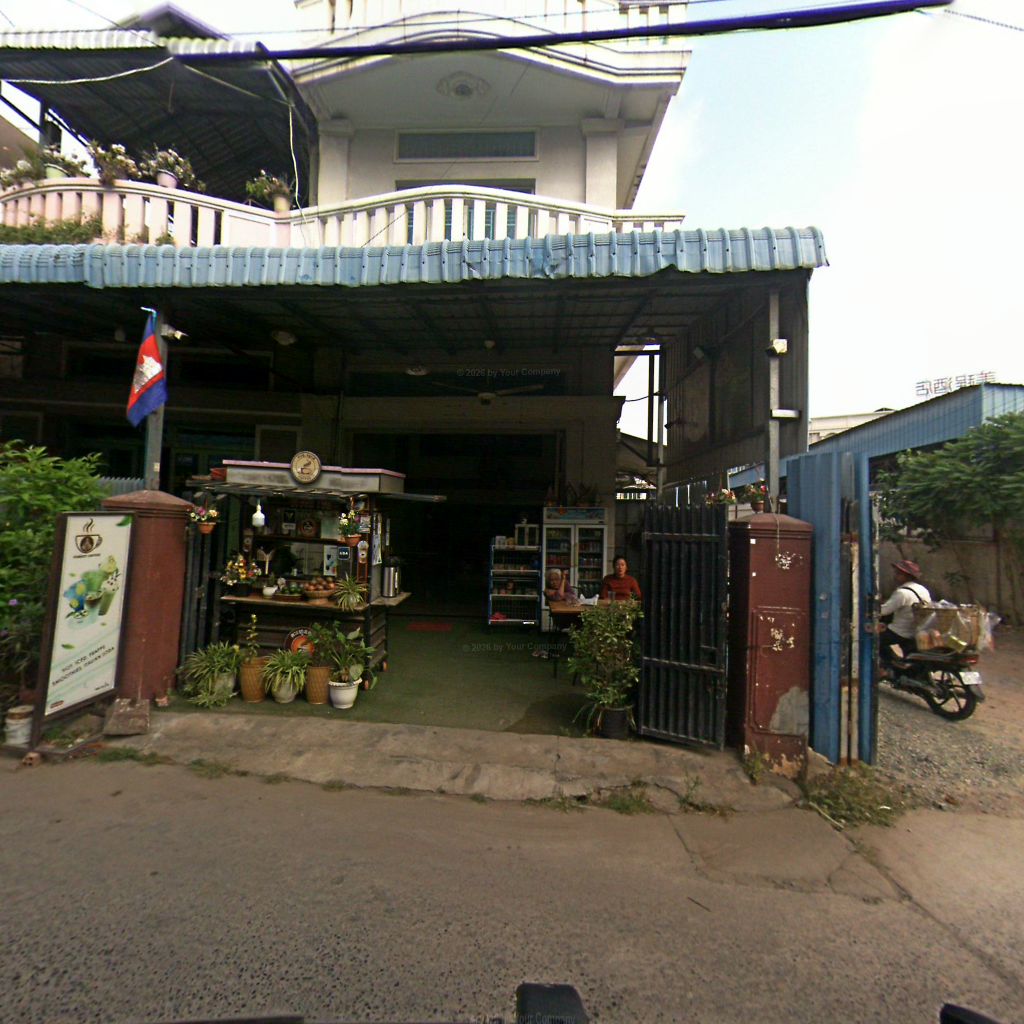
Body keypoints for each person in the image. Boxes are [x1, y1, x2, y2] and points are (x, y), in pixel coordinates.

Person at [879, 559, 931, 665]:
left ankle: (889, 664)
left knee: (872, 640)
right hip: (914, 631)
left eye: (898, 574)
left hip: (899, 632)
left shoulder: (902, 593)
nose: (895, 576)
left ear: (907, 576)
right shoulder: (923, 589)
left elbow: (884, 611)